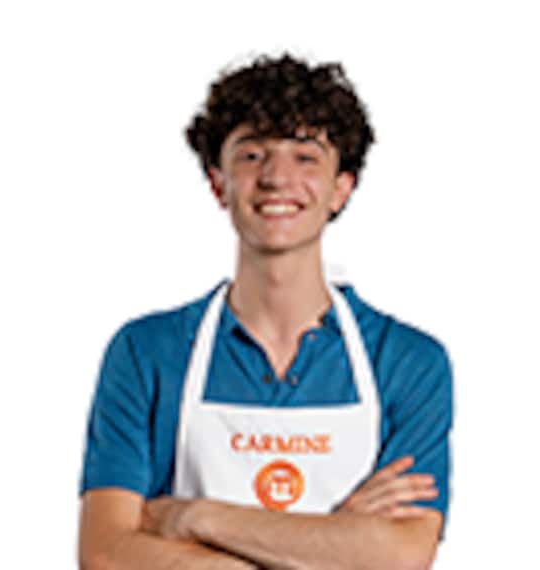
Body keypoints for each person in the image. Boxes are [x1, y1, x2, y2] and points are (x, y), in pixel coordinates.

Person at [78, 53, 454, 569]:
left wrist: (195, 517)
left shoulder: (408, 362)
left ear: (340, 188)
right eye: (252, 155)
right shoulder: (147, 353)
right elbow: (105, 554)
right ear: (219, 183)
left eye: (305, 156)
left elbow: (402, 556)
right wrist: (335, 543)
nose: (277, 177)